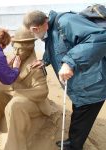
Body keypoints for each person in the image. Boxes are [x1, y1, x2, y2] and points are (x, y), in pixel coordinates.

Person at [23, 10, 106, 150]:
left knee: (83, 118)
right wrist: (45, 60)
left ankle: (74, 146)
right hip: (80, 84)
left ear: (35, 28)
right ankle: (73, 142)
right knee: (79, 113)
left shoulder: (67, 22)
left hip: (92, 84)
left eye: (32, 33)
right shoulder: (51, 29)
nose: (33, 36)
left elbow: (100, 37)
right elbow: (56, 47)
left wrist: (70, 62)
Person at [0, 26, 52, 150]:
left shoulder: (35, 66)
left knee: (15, 105)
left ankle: (15, 146)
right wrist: (7, 71)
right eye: (14, 49)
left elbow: (42, 91)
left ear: (29, 50)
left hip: (31, 103)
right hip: (12, 96)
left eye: (21, 50)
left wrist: (17, 92)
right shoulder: (11, 60)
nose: (16, 53)